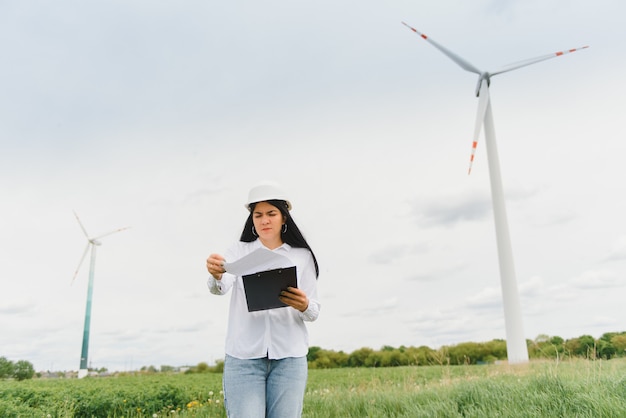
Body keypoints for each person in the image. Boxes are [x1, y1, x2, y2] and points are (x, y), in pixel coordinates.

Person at [206, 181, 320, 418]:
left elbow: (314, 311)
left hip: (289, 357)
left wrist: (304, 305)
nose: (264, 220)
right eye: (258, 215)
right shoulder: (238, 251)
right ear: (252, 219)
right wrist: (216, 274)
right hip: (244, 358)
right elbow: (220, 288)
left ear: (284, 218)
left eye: (271, 214)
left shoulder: (302, 256)